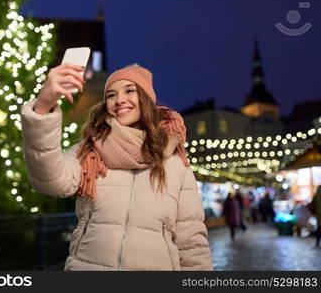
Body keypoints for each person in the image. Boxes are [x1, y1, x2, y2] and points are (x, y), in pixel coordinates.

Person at [21, 63, 213, 270]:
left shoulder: (175, 163)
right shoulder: (90, 151)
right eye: (111, 95)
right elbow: (50, 181)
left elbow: (192, 242)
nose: (119, 100)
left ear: (146, 99)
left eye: (130, 91)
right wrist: (42, 108)